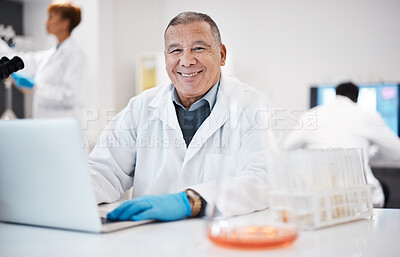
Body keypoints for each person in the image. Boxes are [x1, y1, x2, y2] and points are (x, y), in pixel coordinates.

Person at [89, 11, 272, 222]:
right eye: (175, 50)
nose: (186, 61)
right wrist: (68, 191)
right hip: (148, 239)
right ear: (166, 58)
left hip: (218, 242)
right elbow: (105, 170)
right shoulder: (141, 106)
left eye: (199, 48)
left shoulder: (251, 106)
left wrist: (191, 201)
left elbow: (262, 179)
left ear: (222, 54)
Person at [283, 82, 400, 207]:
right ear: (356, 98)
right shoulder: (368, 115)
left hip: (318, 197)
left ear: (336, 94)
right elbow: (397, 153)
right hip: (358, 199)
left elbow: (284, 149)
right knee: (382, 190)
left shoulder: (311, 115)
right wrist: (370, 153)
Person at [0, 1, 85, 119]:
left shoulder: (74, 54)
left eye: (51, 17)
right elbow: (24, 61)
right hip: (46, 123)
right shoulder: (50, 54)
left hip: (63, 126)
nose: (46, 21)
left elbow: (69, 97)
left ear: (65, 23)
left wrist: (35, 86)